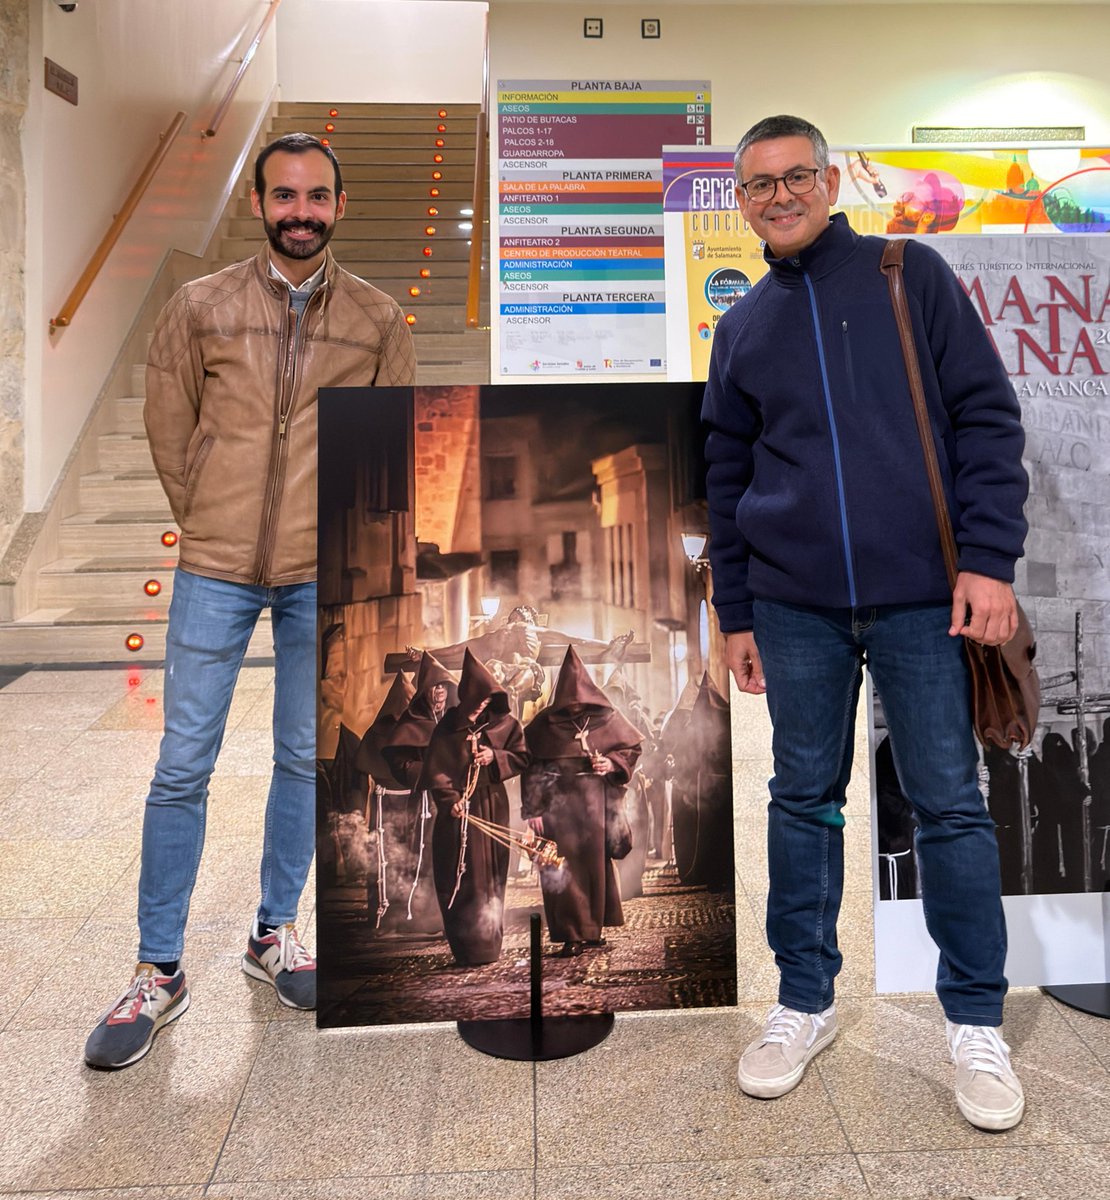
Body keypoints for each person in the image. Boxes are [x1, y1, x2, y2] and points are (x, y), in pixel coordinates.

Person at [702, 115, 1029, 1130]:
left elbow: (985, 415)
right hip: (795, 607)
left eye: (797, 176)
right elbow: (725, 475)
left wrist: (988, 560)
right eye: (760, 184)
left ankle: (973, 1020)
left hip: (925, 597)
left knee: (949, 803)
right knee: (802, 799)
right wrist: (739, 614)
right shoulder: (744, 326)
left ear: (829, 180)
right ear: (741, 200)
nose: (780, 195)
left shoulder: (907, 274)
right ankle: (803, 1002)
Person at [84, 133, 416, 1070]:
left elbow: (390, 445)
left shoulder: (379, 319)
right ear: (260, 204)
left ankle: (275, 934)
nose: (300, 210)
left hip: (324, 573)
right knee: (181, 763)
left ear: (339, 206)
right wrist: (208, 514)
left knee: (303, 763)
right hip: (215, 571)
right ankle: (158, 969)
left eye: (317, 196)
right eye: (284, 195)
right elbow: (167, 417)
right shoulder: (201, 306)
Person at [521, 647, 642, 957]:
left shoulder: (606, 717)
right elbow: (530, 766)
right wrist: (533, 809)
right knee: (561, 867)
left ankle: (592, 929)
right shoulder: (544, 724)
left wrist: (612, 764)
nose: (575, 709)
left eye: (580, 703)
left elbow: (630, 748)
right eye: (569, 703)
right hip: (556, 807)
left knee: (594, 867)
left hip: (594, 803)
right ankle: (571, 932)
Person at [424, 649, 529, 965]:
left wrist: (494, 758)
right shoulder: (446, 730)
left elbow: (522, 757)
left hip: (491, 806)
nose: (484, 704)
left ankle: (488, 945)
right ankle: (466, 947)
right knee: (460, 874)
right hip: (457, 814)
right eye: (479, 699)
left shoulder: (504, 724)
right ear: (467, 696)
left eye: (488, 700)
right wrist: (449, 801)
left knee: (491, 875)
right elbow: (436, 771)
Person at [379, 652, 458, 934]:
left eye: (443, 686)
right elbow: (399, 761)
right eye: (434, 687)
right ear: (424, 691)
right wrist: (425, 773)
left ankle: (455, 914)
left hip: (457, 800)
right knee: (426, 856)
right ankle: (426, 915)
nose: (439, 692)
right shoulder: (412, 722)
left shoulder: (455, 719)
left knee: (457, 858)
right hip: (426, 803)